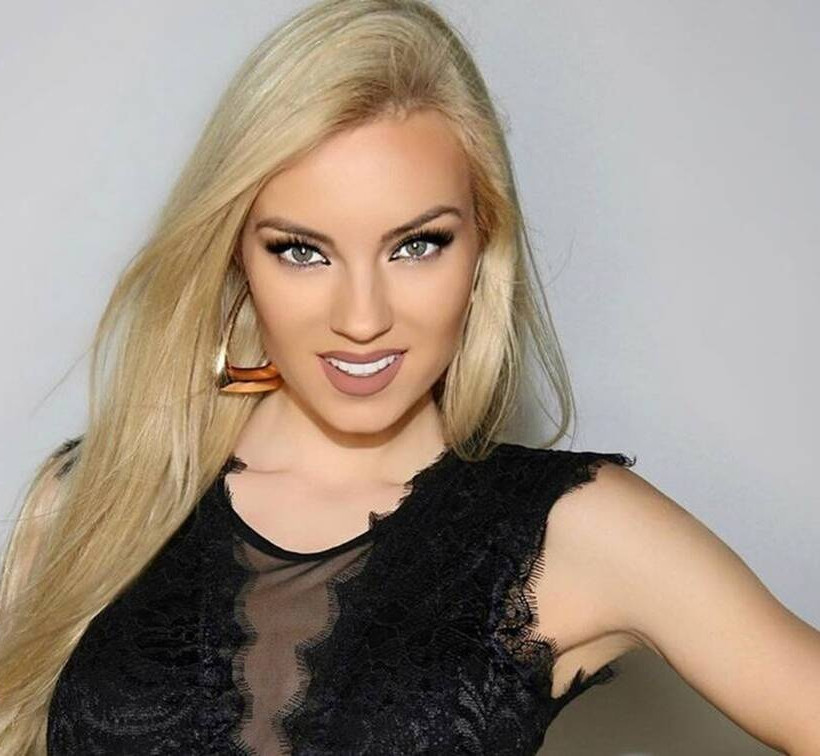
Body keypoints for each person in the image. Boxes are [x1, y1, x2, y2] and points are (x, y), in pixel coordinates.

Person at [2, 0, 818, 753]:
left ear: (483, 245)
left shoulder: (573, 530)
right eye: (301, 250)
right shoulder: (94, 500)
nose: (362, 317)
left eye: (417, 245)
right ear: (237, 257)